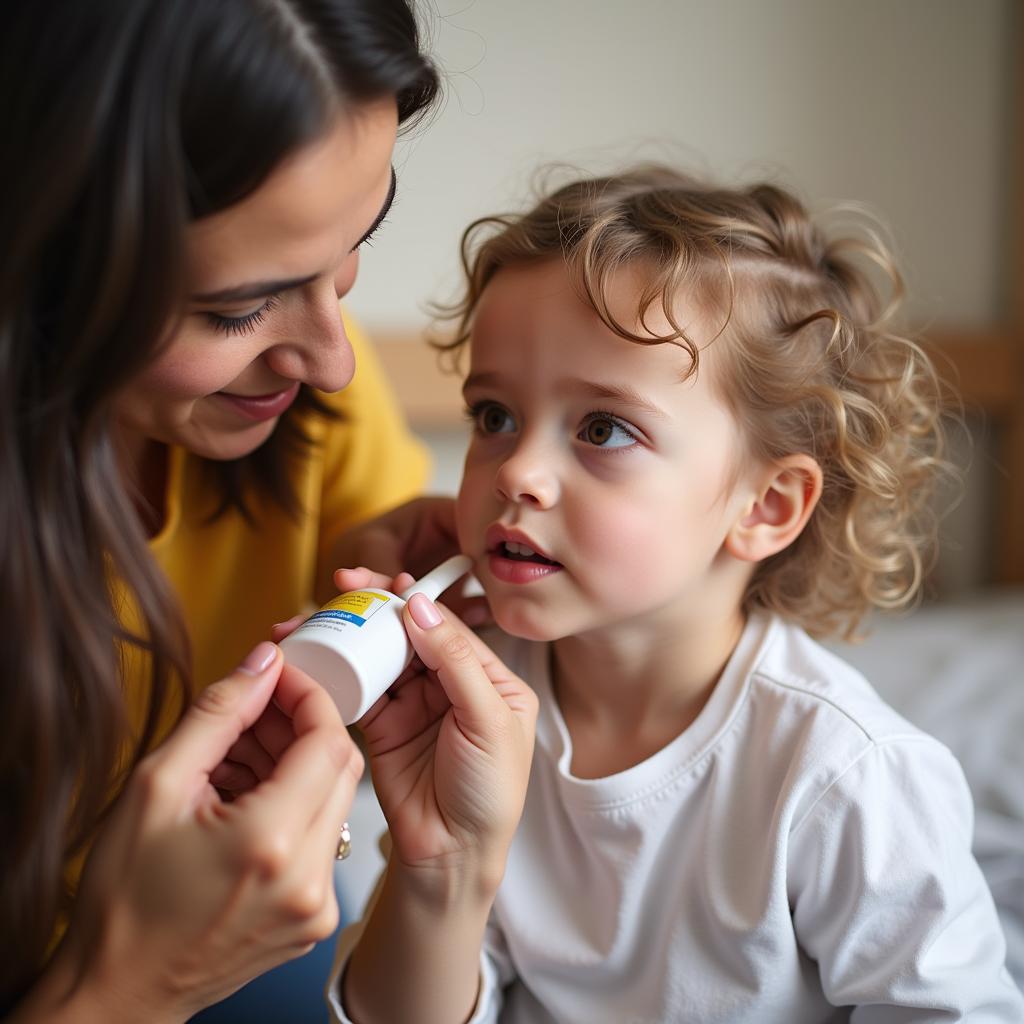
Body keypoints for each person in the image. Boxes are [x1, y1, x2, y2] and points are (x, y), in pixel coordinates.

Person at [331, 166, 1024, 1021]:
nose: (517, 472)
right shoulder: (472, 712)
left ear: (764, 507)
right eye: (493, 416)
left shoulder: (845, 777)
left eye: (602, 429)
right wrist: (438, 867)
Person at [1, 1, 525, 1019]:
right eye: (237, 307)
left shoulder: (306, 408)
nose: (332, 361)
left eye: (353, 247)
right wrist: (134, 984)